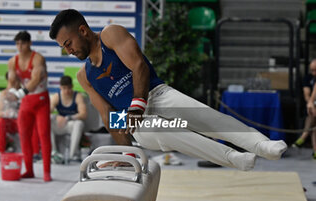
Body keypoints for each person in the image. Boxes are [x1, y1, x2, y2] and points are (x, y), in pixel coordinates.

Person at [49, 9, 287, 171]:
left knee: (207, 117)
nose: (68, 50)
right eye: (63, 47)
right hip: (137, 123)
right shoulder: (85, 76)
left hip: (156, 95)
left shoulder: (111, 35)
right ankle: (233, 159)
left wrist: (137, 104)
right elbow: (109, 117)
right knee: (163, 130)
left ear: (82, 31)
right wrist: (128, 154)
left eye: (68, 43)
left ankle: (261, 145)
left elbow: (139, 65)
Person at [7, 31, 52, 181]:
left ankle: (46, 171)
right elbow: (12, 81)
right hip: (26, 102)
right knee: (24, 135)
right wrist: (11, 91)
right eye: (17, 43)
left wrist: (19, 94)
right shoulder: (13, 61)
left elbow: (35, 80)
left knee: (43, 135)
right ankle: (29, 170)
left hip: (40, 101)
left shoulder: (38, 59)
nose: (20, 47)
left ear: (29, 43)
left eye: (23, 43)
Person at [0, 72, 40, 157]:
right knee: (1, 122)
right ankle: (2, 152)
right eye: (11, 81)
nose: (14, 83)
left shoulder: (25, 92)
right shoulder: (4, 93)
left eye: (16, 81)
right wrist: (6, 113)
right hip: (12, 122)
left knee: (33, 123)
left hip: (23, 121)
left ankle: (35, 153)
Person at [50, 75, 87, 162]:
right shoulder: (56, 96)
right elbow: (47, 111)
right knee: (47, 120)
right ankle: (53, 152)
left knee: (79, 123)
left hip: (70, 125)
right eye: (64, 88)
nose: (67, 91)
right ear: (60, 87)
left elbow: (84, 114)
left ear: (72, 87)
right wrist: (57, 116)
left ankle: (72, 155)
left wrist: (68, 118)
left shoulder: (77, 96)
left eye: (69, 88)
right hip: (59, 125)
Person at [292, 59, 316, 158]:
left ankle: (303, 136)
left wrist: (311, 104)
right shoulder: (308, 78)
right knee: (314, 124)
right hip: (314, 106)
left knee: (313, 117)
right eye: (312, 70)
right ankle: (315, 152)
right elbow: (306, 93)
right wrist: (310, 103)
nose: (314, 73)